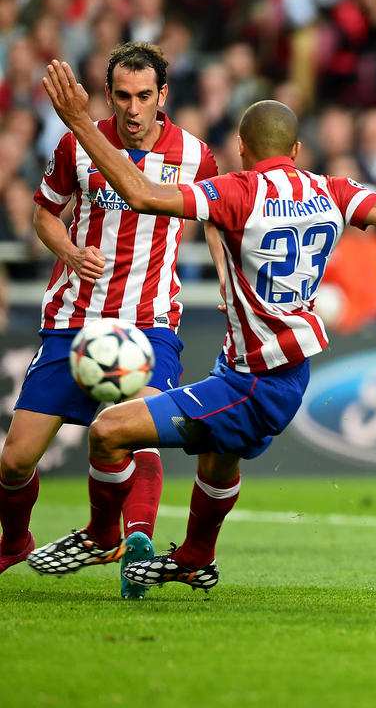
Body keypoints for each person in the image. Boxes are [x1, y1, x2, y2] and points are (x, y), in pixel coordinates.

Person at [25, 59, 376, 592]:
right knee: (218, 460)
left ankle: (103, 536)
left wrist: (77, 122)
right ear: (297, 151)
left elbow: (142, 194)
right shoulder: (330, 188)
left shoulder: (234, 191)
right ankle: (195, 556)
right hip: (277, 368)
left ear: (241, 149)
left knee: (109, 431)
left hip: (255, 379)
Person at [0, 42, 219, 600]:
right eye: (122, 96)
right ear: (108, 95)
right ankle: (16, 540)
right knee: (13, 461)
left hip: (148, 324)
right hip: (75, 320)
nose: (133, 108)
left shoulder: (195, 156)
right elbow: (45, 213)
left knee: (136, 432)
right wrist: (70, 252)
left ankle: (136, 544)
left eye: (144, 96)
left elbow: (220, 220)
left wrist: (225, 278)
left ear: (163, 95)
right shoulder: (78, 146)